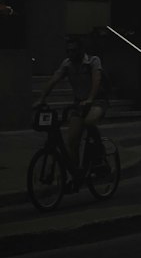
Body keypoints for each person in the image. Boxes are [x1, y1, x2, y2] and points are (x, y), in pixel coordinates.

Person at [35, 36, 110, 182]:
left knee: (89, 122)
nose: (71, 54)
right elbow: (54, 79)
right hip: (79, 103)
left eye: (74, 50)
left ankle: (99, 153)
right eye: (68, 51)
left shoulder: (93, 61)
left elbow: (96, 80)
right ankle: (75, 173)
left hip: (97, 101)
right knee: (72, 140)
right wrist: (42, 98)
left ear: (81, 50)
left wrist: (90, 99)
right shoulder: (67, 64)